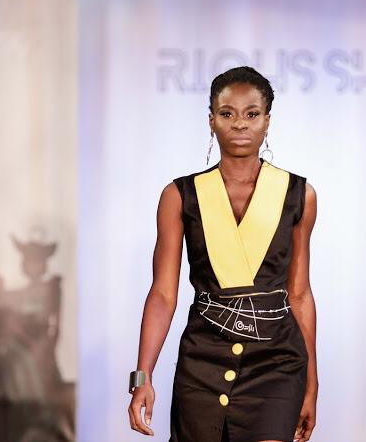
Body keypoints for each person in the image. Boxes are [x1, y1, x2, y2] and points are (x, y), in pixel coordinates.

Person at [128, 66, 318, 442]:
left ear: (267, 121)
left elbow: (299, 293)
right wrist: (141, 377)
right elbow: (163, 294)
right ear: (211, 120)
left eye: (252, 114)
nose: (240, 124)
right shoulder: (180, 195)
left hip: (277, 364)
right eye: (227, 113)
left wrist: (311, 384)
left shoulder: (299, 195)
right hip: (202, 361)